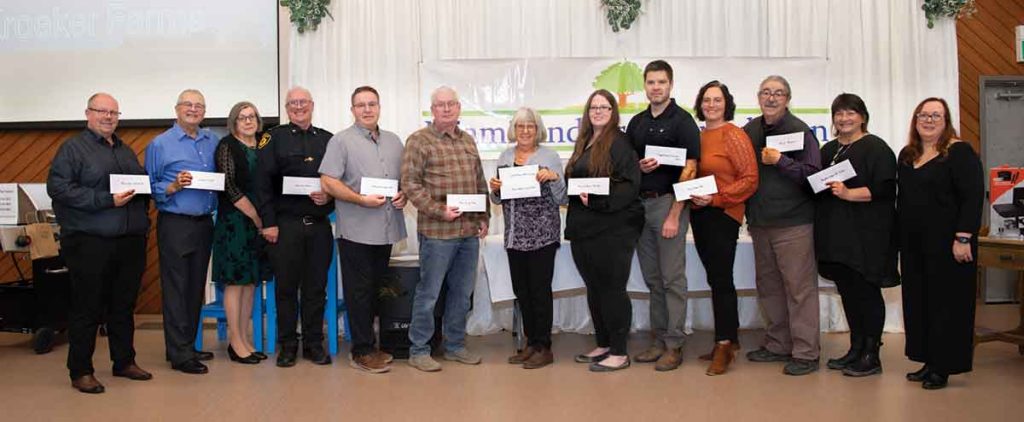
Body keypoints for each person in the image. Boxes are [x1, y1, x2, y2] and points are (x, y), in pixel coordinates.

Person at [48, 93, 153, 393]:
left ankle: (124, 362)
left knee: (123, 305)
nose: (108, 117)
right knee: (87, 306)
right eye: (102, 111)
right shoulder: (72, 149)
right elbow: (59, 188)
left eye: (114, 112)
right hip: (90, 241)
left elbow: (138, 187)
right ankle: (80, 370)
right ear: (88, 113)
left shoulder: (125, 149)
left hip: (129, 241)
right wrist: (104, 200)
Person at [401, 86, 490, 372]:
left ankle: (454, 346)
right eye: (441, 105)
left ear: (459, 107)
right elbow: (410, 185)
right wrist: (441, 210)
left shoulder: (468, 141)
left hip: (467, 232)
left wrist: (484, 214)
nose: (447, 109)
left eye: (451, 104)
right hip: (437, 232)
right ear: (432, 109)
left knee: (462, 294)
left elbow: (479, 181)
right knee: (429, 293)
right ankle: (419, 350)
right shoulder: (418, 141)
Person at [897, 97, 983, 390]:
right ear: (915, 119)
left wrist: (963, 238)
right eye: (923, 114)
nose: (929, 120)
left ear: (946, 121)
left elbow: (972, 198)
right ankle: (928, 360)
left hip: (949, 245)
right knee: (920, 302)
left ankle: (943, 366)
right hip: (914, 246)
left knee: (947, 306)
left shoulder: (959, 152)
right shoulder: (908, 155)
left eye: (936, 115)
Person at [319, 86, 407, 373]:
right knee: (359, 292)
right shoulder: (340, 141)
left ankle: (372, 344)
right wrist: (359, 199)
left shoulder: (395, 142)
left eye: (372, 104)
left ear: (380, 107)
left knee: (376, 290)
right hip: (356, 230)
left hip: (386, 229)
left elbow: (403, 182)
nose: (367, 109)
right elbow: (328, 182)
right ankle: (362, 351)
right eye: (360, 105)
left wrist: (404, 194)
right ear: (352, 109)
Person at [742, 75, 823, 376]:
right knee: (770, 287)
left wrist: (781, 161)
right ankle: (778, 344)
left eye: (778, 93)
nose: (771, 98)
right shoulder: (750, 131)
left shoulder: (799, 131)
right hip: (761, 223)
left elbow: (814, 175)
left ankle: (806, 352)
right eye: (766, 92)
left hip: (794, 223)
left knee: (799, 289)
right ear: (758, 97)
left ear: (788, 99)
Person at [814, 93, 898, 377]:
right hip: (837, 237)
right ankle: (855, 349)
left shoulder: (876, 148)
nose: (844, 118)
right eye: (839, 113)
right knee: (848, 293)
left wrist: (849, 194)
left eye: (850, 113)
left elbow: (885, 189)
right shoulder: (829, 149)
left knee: (867, 293)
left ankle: (872, 355)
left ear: (862, 116)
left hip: (867, 237)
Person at [625, 60, 701, 371]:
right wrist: (638, 167)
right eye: (651, 82)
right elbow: (628, 164)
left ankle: (674, 345)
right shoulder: (637, 123)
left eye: (661, 82)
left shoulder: (683, 122)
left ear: (670, 85)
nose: (656, 87)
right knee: (653, 279)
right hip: (641, 207)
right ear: (645, 86)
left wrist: (675, 214)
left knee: (672, 279)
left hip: (669, 205)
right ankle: (657, 341)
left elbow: (691, 169)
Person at [255, 87, 334, 367]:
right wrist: (269, 224)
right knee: (286, 289)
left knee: (316, 289)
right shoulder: (272, 138)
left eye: (303, 102)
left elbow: (337, 180)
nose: (298, 107)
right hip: (285, 226)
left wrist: (329, 196)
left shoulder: (327, 139)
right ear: (287, 108)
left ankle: (314, 344)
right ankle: (287, 345)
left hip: (319, 226)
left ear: (312, 105)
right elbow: (262, 184)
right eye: (293, 103)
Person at [566, 89, 643, 372]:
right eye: (593, 107)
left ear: (613, 112)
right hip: (584, 228)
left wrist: (597, 199)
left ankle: (620, 352)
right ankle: (604, 343)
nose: (598, 111)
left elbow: (629, 185)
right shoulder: (585, 141)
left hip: (613, 229)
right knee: (595, 289)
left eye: (604, 107)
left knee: (612, 289)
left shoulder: (620, 142)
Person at [145, 89, 220, 375]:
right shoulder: (159, 144)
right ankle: (179, 354)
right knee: (176, 289)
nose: (193, 109)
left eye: (199, 105)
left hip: (204, 222)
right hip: (175, 223)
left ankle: (185, 345)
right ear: (176, 109)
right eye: (188, 104)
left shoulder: (212, 140)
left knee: (194, 288)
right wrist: (173, 187)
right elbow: (149, 187)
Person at [488, 107, 568, 369]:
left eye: (530, 126)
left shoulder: (550, 156)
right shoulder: (505, 156)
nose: (525, 131)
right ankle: (531, 344)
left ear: (538, 130)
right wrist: (495, 189)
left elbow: (562, 197)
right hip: (515, 236)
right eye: (520, 126)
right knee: (522, 292)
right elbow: (499, 199)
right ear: (514, 129)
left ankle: (544, 347)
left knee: (539, 291)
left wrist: (554, 177)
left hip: (542, 235)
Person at [688, 81, 759, 375]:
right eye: (707, 100)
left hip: (723, 214)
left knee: (721, 278)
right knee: (716, 278)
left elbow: (750, 179)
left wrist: (717, 199)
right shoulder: (698, 135)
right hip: (700, 214)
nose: (711, 105)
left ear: (726, 103)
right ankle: (732, 339)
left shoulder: (735, 135)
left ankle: (724, 343)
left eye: (717, 100)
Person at [211, 101, 271, 365]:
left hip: (257, 224)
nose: (248, 121)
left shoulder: (263, 146)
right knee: (235, 284)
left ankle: (245, 339)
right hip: (235, 221)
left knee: (250, 283)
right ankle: (235, 342)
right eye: (242, 118)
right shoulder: (227, 146)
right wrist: (258, 217)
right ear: (233, 123)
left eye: (252, 117)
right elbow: (230, 187)